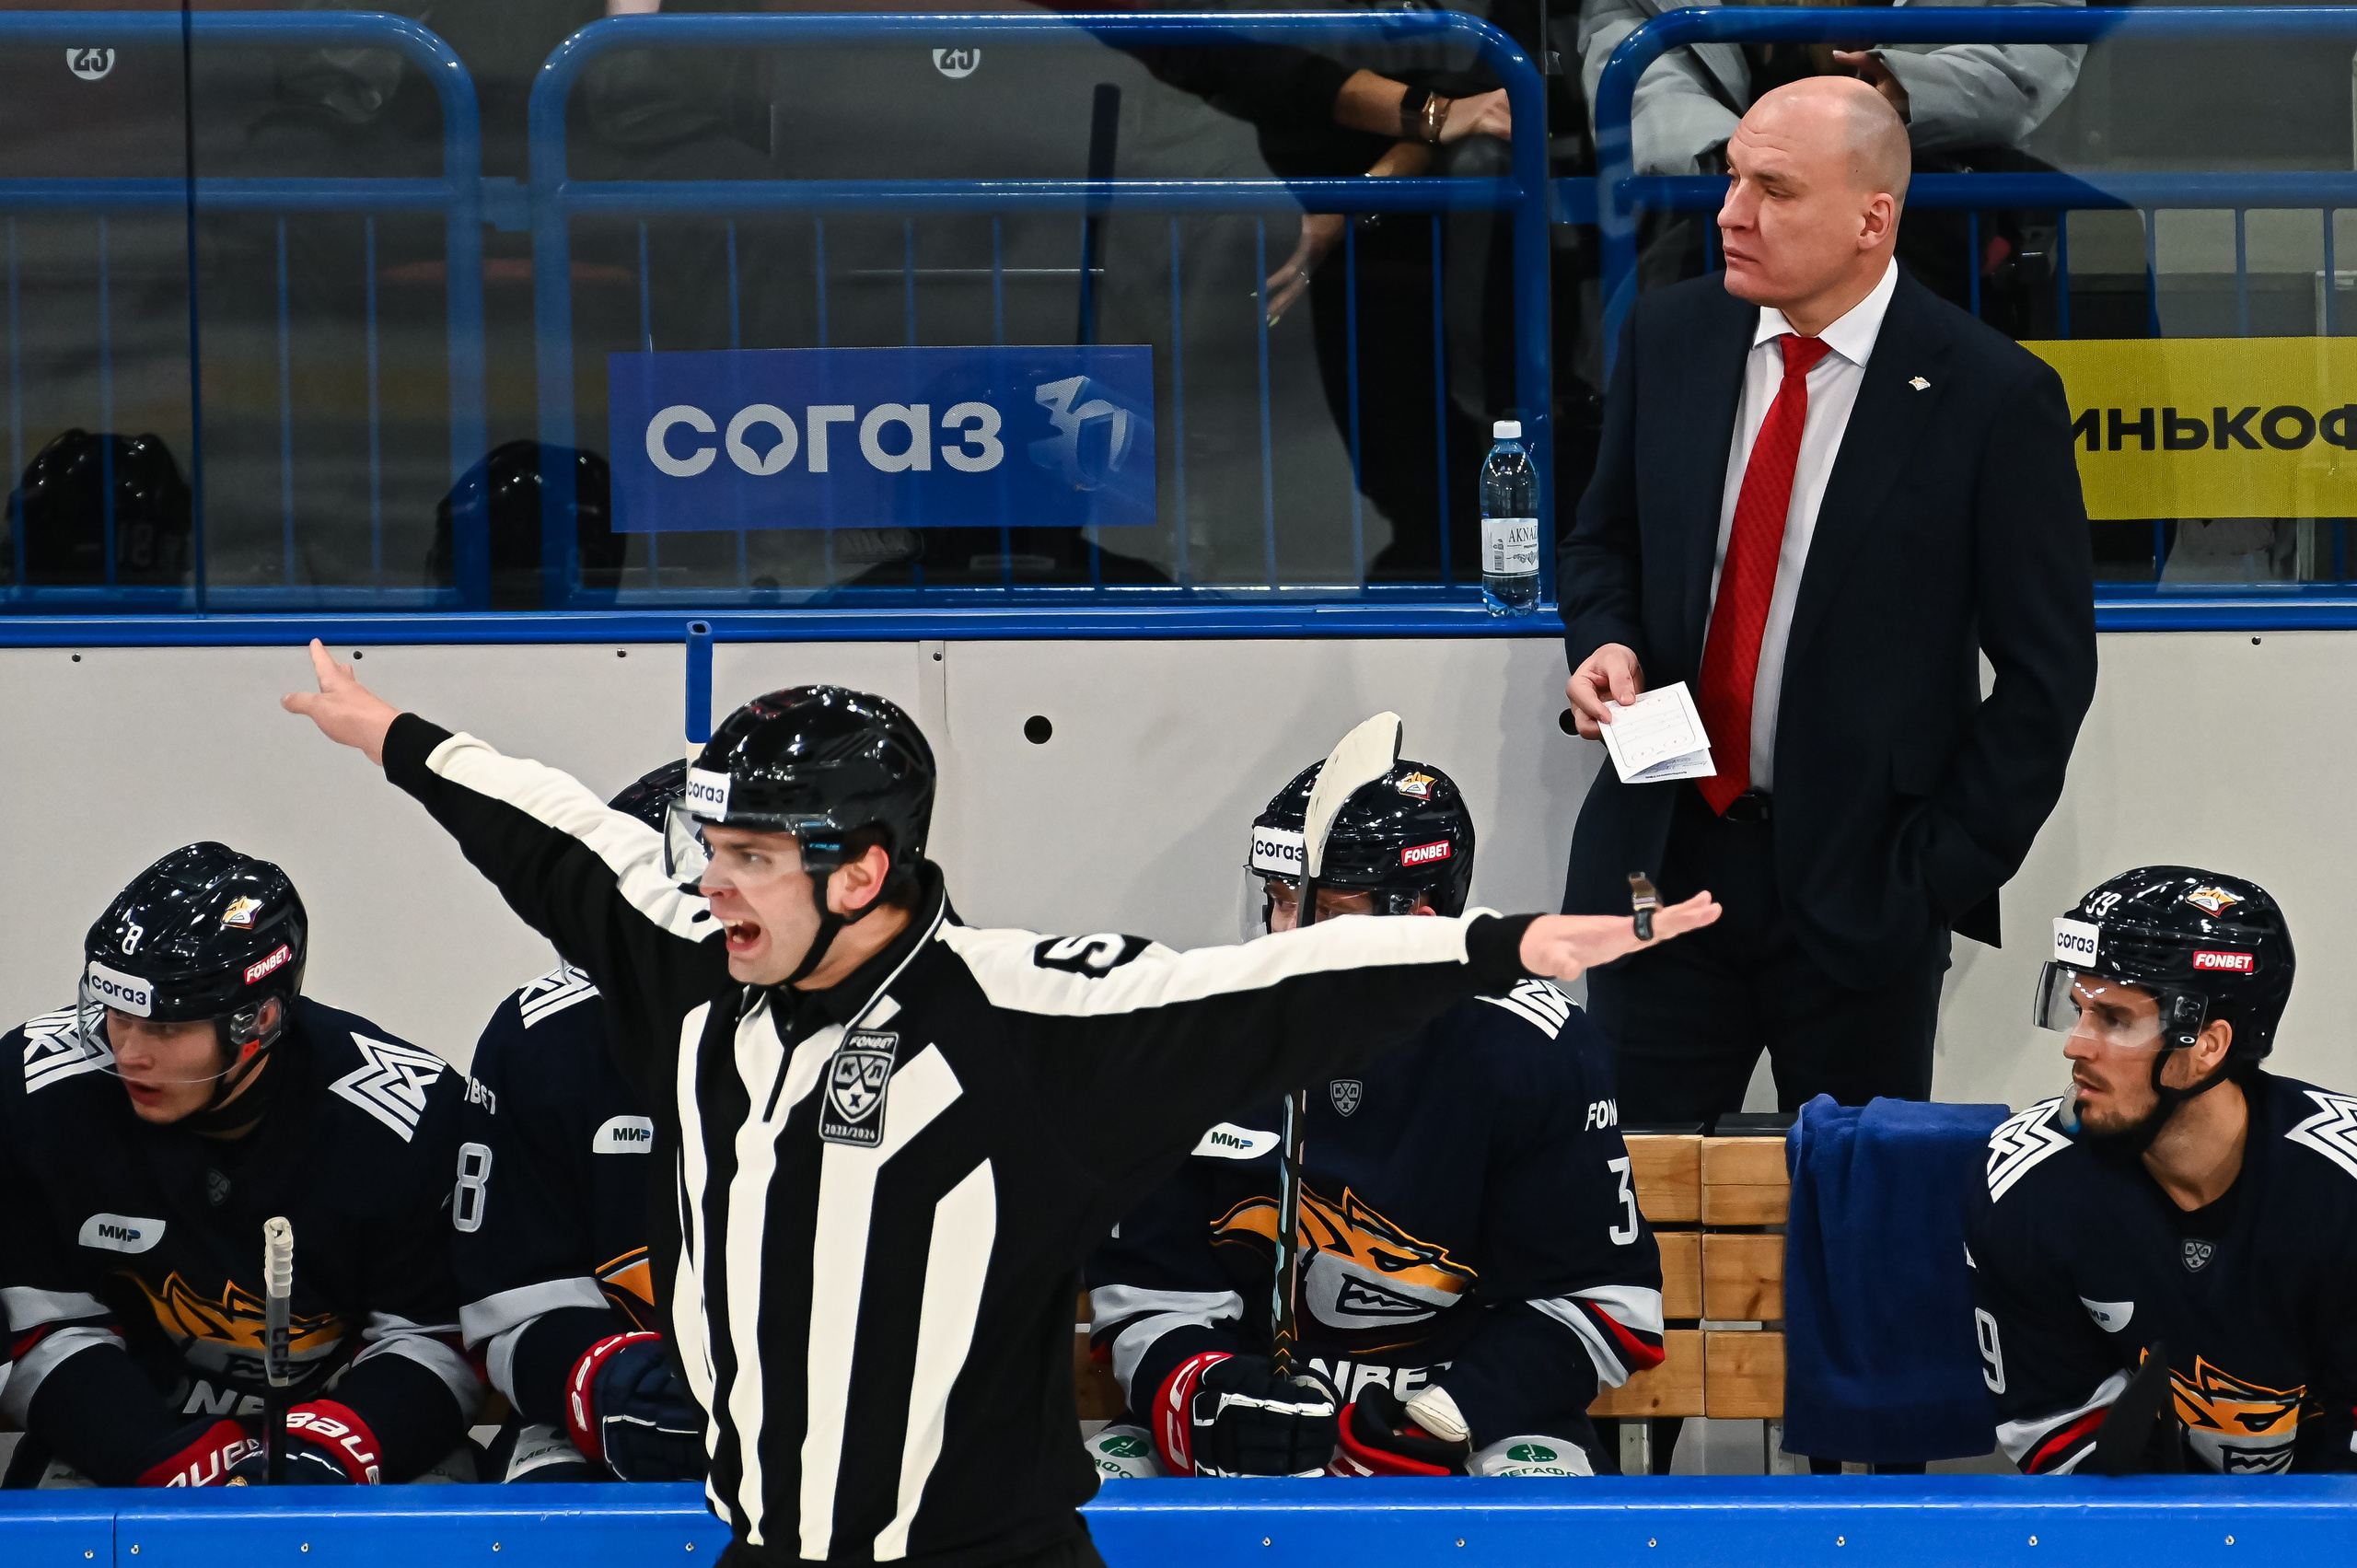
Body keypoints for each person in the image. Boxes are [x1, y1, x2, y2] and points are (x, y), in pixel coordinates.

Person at [281, 645, 1715, 1568]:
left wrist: (1499, 943)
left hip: (991, 1553)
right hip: (765, 1546)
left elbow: (1264, 989)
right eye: (710, 848)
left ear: (862, 868)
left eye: (748, 855)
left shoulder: (1025, 1017)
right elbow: (556, 836)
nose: (707, 882)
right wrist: (396, 735)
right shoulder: (696, 970)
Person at [1558, 76, 2096, 1123]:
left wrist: (1930, 875)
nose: (1729, 213)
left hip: (1863, 892)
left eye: (1773, 187)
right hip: (1661, 866)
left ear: (1871, 218)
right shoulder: (1669, 337)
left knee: (1858, 1238)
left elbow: (2047, 675)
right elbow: (1600, 542)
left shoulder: (1991, 395)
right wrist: (1606, 642)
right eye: (1729, 180)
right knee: (1627, 1229)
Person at [1085, 757, 1662, 1481]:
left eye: (1325, 910)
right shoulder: (1190, 1041)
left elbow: (1602, 1300)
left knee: (1539, 1503)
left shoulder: (1531, 1044)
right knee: (1095, 1494)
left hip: (1464, 1420)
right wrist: (1209, 1398)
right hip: (1243, 1406)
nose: (1283, 934)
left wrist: (1448, 1415)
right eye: (1280, 898)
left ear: (1418, 923)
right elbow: (1149, 1294)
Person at [0, 844, 477, 1488]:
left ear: (262, 1019)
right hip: (134, 1437)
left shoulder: (406, 1117)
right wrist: (154, 1454)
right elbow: (41, 1326)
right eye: (115, 1012)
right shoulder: (35, 1092)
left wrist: (332, 1447)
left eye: (165, 1028)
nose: (127, 1050)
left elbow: (433, 1339)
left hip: (346, 1440)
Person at [1967, 868, 2357, 1475]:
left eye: (2116, 1020)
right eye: (2078, 1009)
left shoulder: (2343, 1189)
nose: (2075, 1045)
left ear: (2209, 1043)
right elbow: (2066, 1437)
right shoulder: (2023, 1185)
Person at [455, 761, 704, 1484]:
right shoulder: (541, 1041)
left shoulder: (872, 1034)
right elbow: (512, 1302)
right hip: (608, 1416)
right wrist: (606, 1378)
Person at [1576, 0, 2084, 179]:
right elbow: (1630, 61)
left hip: (1927, 187)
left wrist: (1906, 95)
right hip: (1716, 198)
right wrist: (1747, 159)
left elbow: (2037, 41)